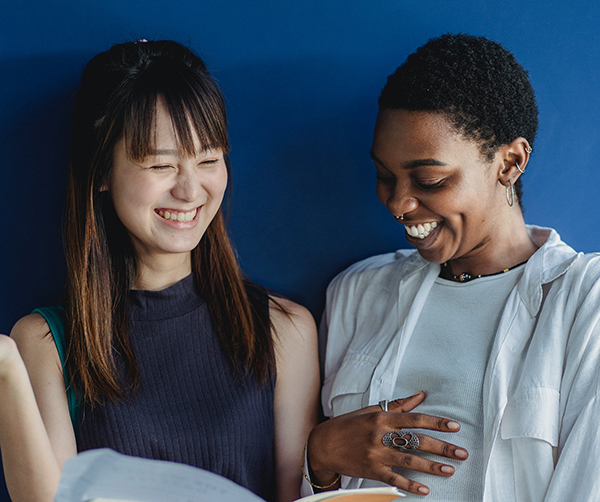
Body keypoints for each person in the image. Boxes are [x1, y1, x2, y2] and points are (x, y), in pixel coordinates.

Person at [0, 40, 320, 502]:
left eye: (210, 160)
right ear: (102, 172)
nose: (191, 190)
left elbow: (298, 490)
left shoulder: (283, 328)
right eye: (161, 164)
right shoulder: (47, 341)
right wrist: (8, 371)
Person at [303, 34, 600, 501]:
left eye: (429, 180)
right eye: (385, 176)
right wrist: (319, 456)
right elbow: (315, 488)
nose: (399, 203)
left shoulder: (584, 301)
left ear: (510, 162)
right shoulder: (357, 293)